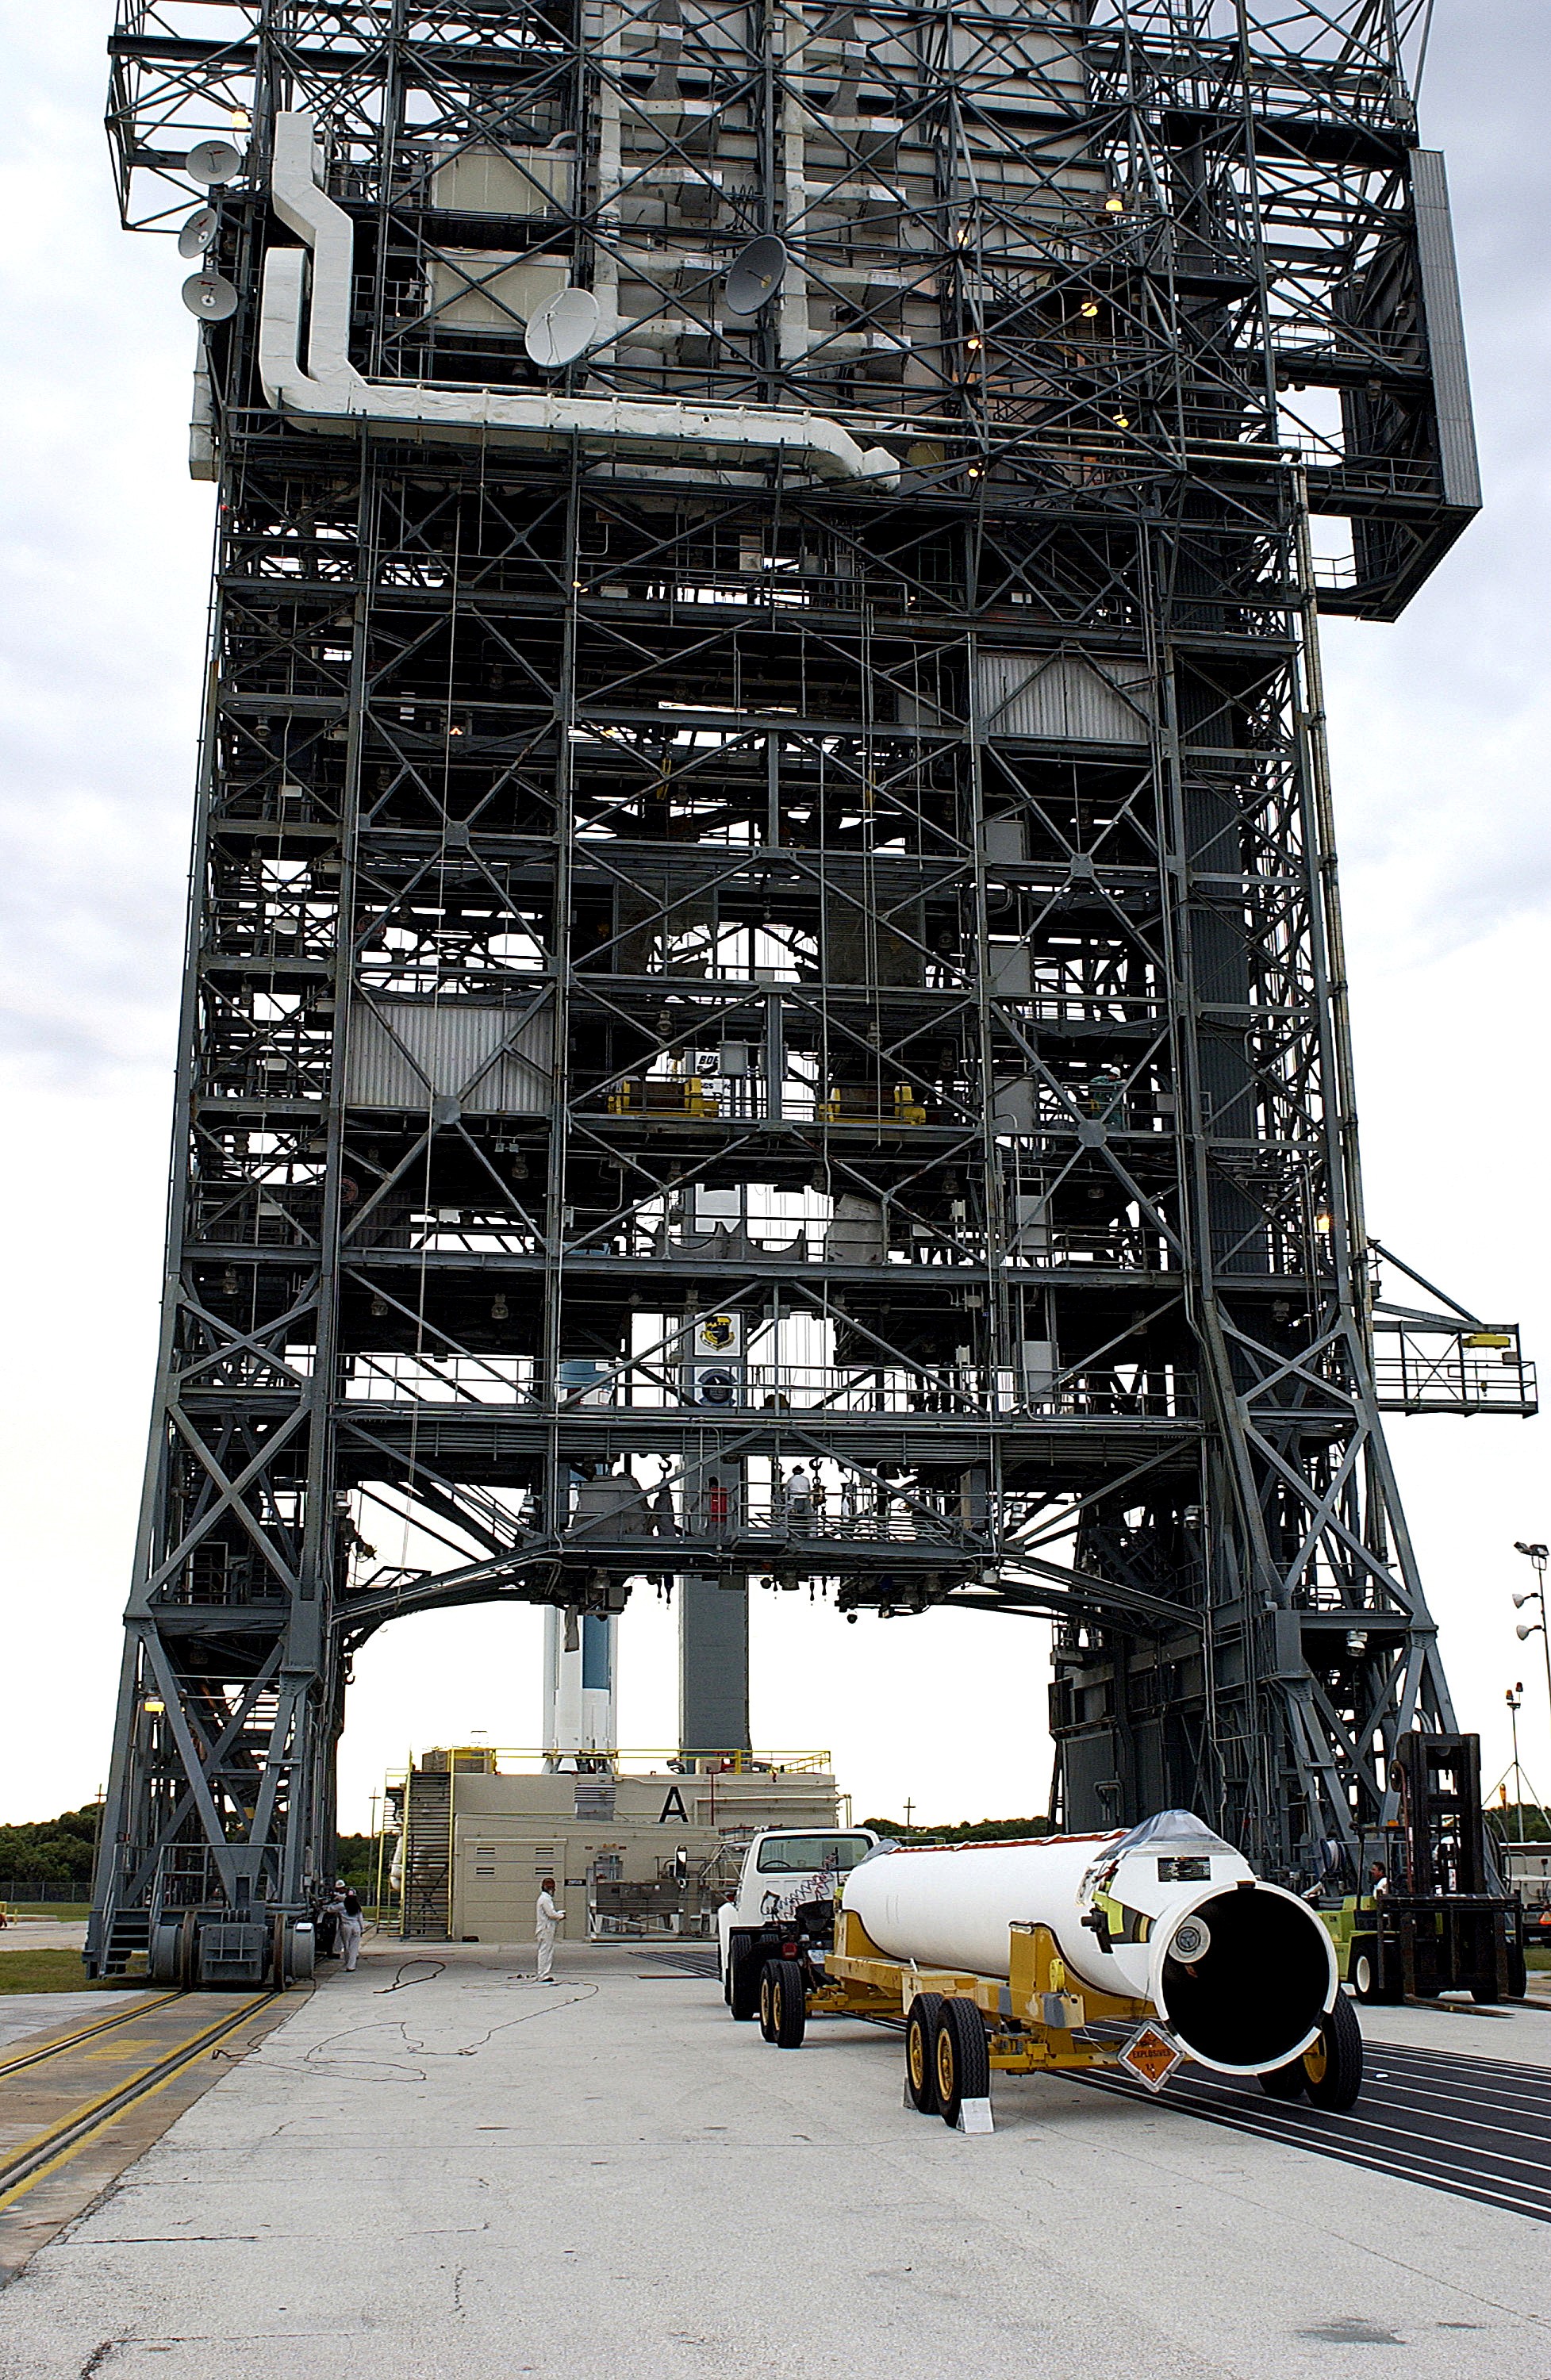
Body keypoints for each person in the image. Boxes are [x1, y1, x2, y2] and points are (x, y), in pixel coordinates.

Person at [536, 1875, 565, 1982]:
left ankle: (543, 1973)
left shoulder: (544, 1898)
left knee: (546, 1951)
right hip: (546, 1929)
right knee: (545, 1951)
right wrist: (561, 1916)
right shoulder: (545, 1899)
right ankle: (543, 1974)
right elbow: (551, 1914)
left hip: (545, 1928)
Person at [338, 1885, 365, 1972]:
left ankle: (348, 1962)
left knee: (346, 1946)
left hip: (346, 1926)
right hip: (356, 1926)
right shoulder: (357, 1906)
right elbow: (360, 1919)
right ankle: (351, 1966)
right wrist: (362, 1929)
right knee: (354, 1947)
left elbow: (330, 1909)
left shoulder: (342, 1905)